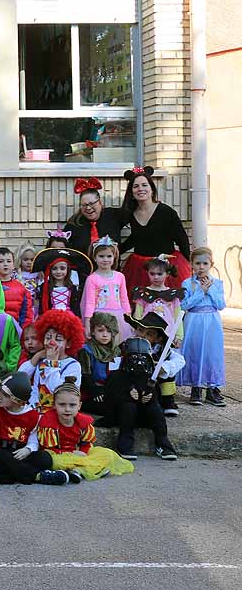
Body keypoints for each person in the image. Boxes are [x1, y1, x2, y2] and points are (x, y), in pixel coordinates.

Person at [29, 379, 134, 482]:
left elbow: (86, 444)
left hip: (79, 452)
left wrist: (83, 452)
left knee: (107, 454)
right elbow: (49, 448)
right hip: (58, 454)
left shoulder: (84, 423)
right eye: (62, 404)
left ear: (79, 406)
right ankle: (91, 468)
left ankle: (79, 470)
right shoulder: (48, 423)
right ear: (54, 405)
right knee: (54, 461)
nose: (67, 409)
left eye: (72, 405)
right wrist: (71, 453)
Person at [0, 372, 69, 485]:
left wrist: (28, 449)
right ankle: (37, 476)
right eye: (0, 390)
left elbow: (33, 440)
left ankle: (6, 477)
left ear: (17, 401)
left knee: (45, 458)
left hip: (20, 452)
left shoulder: (33, 416)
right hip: (2, 451)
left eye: (5, 395)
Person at [102, 338, 181, 461]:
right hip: (121, 416)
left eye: (143, 358)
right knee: (128, 406)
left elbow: (157, 397)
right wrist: (126, 395)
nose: (138, 362)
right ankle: (125, 444)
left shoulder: (150, 377)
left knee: (155, 409)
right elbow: (110, 399)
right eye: (134, 357)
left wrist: (149, 397)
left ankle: (163, 443)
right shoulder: (116, 375)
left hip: (142, 417)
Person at [118, 166, 192, 293]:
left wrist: (191, 264)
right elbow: (137, 237)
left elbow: (182, 239)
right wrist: (116, 251)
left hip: (165, 266)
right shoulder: (130, 213)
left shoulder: (166, 212)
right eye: (136, 186)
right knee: (142, 305)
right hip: (142, 268)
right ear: (131, 192)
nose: (140, 189)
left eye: (144, 185)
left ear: (152, 189)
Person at [180, 247, 227, 407]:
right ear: (191, 264)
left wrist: (210, 290)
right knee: (195, 352)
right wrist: (201, 291)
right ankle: (196, 387)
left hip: (212, 320)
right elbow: (184, 305)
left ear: (211, 264)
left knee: (212, 354)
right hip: (194, 320)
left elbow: (220, 304)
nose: (201, 267)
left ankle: (213, 389)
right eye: (197, 263)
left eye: (204, 263)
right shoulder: (187, 283)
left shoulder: (217, 283)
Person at [20, 309, 84, 412]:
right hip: (38, 411)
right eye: (48, 337)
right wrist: (37, 356)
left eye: (58, 339)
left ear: (68, 344)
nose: (51, 342)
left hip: (58, 413)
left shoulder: (73, 366)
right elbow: (21, 377)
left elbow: (57, 390)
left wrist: (52, 363)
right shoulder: (41, 361)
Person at [63, 177, 127, 260]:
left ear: (100, 203)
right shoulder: (73, 224)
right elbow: (60, 247)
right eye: (84, 205)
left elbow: (131, 211)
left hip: (111, 271)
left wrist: (119, 250)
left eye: (91, 203)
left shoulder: (113, 216)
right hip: (84, 271)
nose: (88, 208)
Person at [82, 237, 131, 340]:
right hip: (100, 318)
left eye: (109, 256)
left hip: (119, 317)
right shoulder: (92, 279)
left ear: (114, 257)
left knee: (118, 342)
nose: (105, 259)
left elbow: (124, 298)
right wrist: (87, 323)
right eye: (101, 256)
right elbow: (89, 303)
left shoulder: (120, 276)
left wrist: (128, 318)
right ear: (95, 257)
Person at [33, 247, 90, 319]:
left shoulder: (72, 288)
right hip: (50, 318)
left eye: (62, 268)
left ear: (68, 270)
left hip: (68, 319)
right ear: (50, 270)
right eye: (54, 269)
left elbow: (76, 308)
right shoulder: (44, 287)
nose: (58, 272)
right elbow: (41, 308)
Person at [0, 246, 33, 327]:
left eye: (9, 261)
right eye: (1, 261)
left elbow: (26, 315)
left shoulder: (21, 288)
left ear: (13, 264)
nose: (5, 264)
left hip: (14, 331)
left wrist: (22, 331)